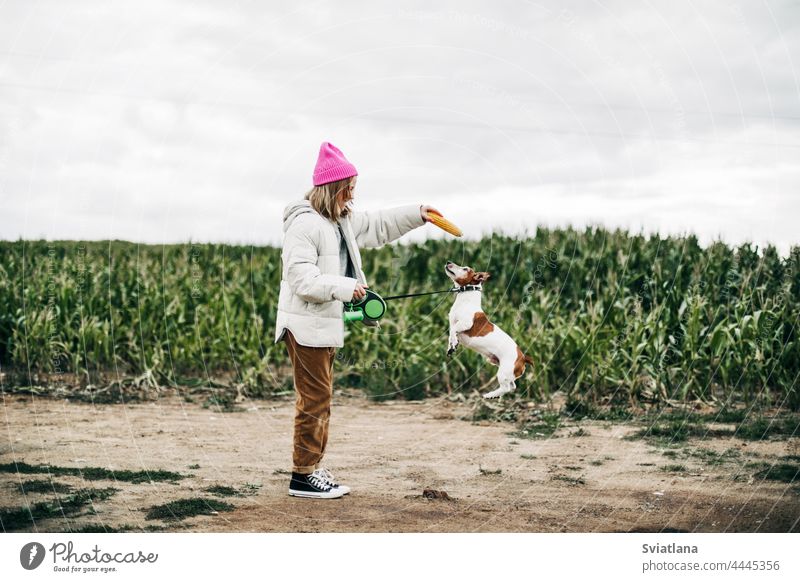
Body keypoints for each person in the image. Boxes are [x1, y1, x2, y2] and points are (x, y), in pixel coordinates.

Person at [274, 141, 440, 499]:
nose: (352, 196)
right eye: (347, 190)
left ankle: (311, 469)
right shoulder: (304, 226)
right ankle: (303, 477)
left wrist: (419, 212)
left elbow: (379, 225)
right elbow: (302, 281)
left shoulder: (340, 221)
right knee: (315, 400)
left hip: (322, 324)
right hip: (304, 326)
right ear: (332, 189)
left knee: (320, 398)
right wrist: (346, 288)